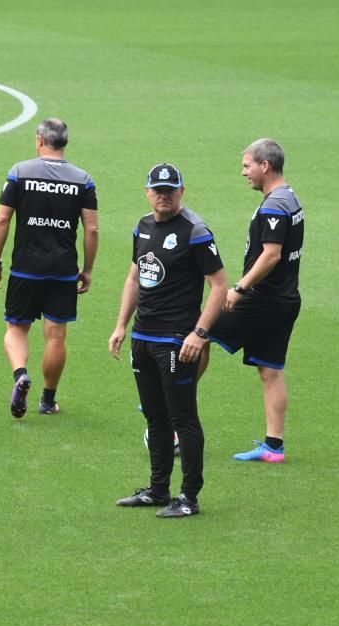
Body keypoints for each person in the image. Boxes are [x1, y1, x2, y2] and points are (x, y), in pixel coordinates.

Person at [109, 163, 227, 518]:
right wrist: (120, 326)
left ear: (182, 191)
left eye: (170, 190)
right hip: (143, 337)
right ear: (147, 191)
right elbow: (134, 279)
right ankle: (158, 489)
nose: (163, 195)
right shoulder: (142, 227)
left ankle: (189, 497)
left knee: (183, 419)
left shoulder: (195, 231)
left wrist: (199, 333)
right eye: (157, 190)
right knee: (155, 417)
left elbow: (219, 286)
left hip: (176, 340)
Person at [202, 138, 305, 463]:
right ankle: (274, 447)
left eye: (247, 166)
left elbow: (271, 255)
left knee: (199, 332)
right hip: (286, 300)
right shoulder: (291, 199)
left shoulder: (275, 205)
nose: (243, 172)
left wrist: (240, 287)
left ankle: (169, 401)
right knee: (270, 371)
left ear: (265, 165)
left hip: (261, 299)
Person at [0, 118, 98, 418]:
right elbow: (91, 230)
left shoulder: (20, 172)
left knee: (16, 327)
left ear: (39, 140)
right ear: (66, 142)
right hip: (63, 269)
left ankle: (20, 375)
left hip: (25, 267)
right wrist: (87, 269)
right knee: (56, 336)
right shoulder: (82, 179)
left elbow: (2, 219)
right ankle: (48, 401)